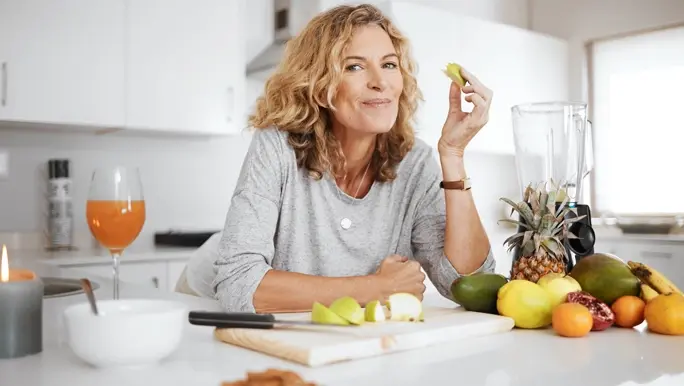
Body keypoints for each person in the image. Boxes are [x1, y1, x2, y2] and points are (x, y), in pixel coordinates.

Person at [212, 3, 495, 313]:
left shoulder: (415, 163)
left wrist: (453, 155)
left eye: (389, 64)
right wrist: (376, 288)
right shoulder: (276, 147)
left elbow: (473, 286)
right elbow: (237, 285)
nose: (380, 81)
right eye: (355, 67)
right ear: (320, 88)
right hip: (204, 298)